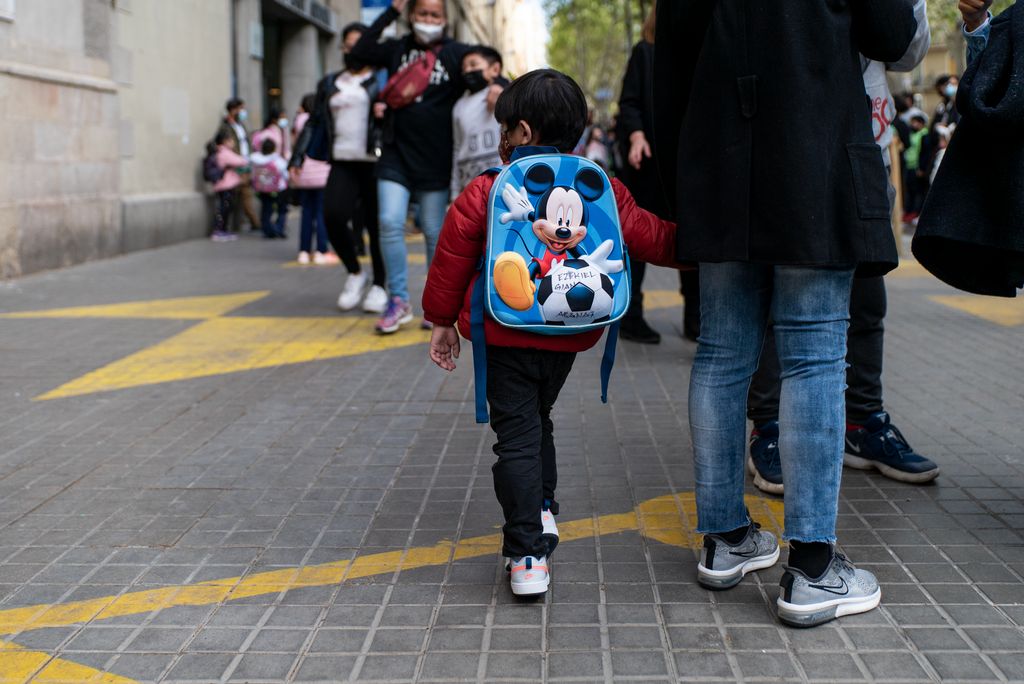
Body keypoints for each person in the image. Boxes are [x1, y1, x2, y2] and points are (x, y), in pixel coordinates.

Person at [655, 0, 920, 627]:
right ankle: (813, 568)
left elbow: (669, 74)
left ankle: (724, 541)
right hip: (814, 159)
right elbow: (893, 31)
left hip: (718, 166)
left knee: (721, 352)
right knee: (815, 357)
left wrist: (680, 189)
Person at [423, 69, 682, 597]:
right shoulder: (601, 186)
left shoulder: (490, 188)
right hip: (568, 333)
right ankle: (542, 511)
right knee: (538, 420)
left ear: (521, 130)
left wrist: (442, 321)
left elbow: (450, 257)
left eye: (504, 129)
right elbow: (648, 236)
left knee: (516, 436)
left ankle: (525, 556)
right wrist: (707, 248)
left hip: (502, 334)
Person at [746, 0, 936, 497]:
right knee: (775, 295)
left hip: (863, 147)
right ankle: (768, 429)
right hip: (787, 139)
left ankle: (863, 423)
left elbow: (905, 48)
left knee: (867, 297)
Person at [350, 0, 484, 333]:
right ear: (412, 17)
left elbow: (486, 70)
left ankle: (434, 304)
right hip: (396, 154)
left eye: (434, 15)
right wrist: (390, 12)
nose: (428, 20)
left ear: (444, 19)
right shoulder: (397, 48)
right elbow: (359, 51)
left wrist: (497, 87)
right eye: (422, 14)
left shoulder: (456, 53)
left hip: (436, 159)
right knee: (389, 222)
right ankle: (397, 299)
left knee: (433, 232)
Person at [291, 22, 388, 314]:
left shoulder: (382, 81)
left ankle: (380, 285)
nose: (353, 50)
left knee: (376, 226)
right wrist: (297, 157)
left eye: (359, 44)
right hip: (342, 161)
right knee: (332, 216)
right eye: (348, 44)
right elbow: (315, 121)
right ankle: (356, 273)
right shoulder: (330, 82)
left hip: (376, 163)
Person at [615, 1, 672, 345]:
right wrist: (635, 135)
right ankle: (631, 315)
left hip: (689, 163)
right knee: (639, 237)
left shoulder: (701, 51)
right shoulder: (645, 53)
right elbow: (629, 102)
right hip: (649, 163)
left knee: (692, 238)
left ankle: (697, 316)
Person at [450, 46, 504, 199]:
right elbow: (457, 148)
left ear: (495, 69)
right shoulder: (459, 106)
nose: (467, 71)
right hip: (469, 188)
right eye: (464, 68)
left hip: (500, 183)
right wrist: (455, 192)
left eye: (473, 65)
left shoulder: (505, 95)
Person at [291, 94, 335, 265]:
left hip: (303, 173)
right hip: (322, 173)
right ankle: (321, 250)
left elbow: (296, 145)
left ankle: (303, 251)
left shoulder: (299, 121)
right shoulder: (320, 121)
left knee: (306, 212)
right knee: (321, 213)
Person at [217, 98, 260, 233]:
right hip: (235, 167)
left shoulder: (241, 125)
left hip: (245, 165)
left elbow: (247, 143)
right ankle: (229, 227)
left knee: (246, 196)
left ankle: (254, 223)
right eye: (240, 109)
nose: (243, 112)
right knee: (232, 198)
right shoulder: (225, 127)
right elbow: (223, 144)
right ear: (233, 109)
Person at [208, 132, 248, 242]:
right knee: (224, 209)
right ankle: (218, 230)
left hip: (225, 185)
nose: (233, 142)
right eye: (230, 140)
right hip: (225, 186)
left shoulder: (222, 152)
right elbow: (240, 161)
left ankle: (223, 230)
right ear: (225, 141)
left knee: (226, 208)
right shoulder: (224, 152)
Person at [251, 138, 290, 240]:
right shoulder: (278, 160)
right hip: (279, 189)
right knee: (282, 210)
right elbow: (286, 174)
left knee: (266, 210)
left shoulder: (256, 160)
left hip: (263, 189)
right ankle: (279, 229)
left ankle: (267, 229)